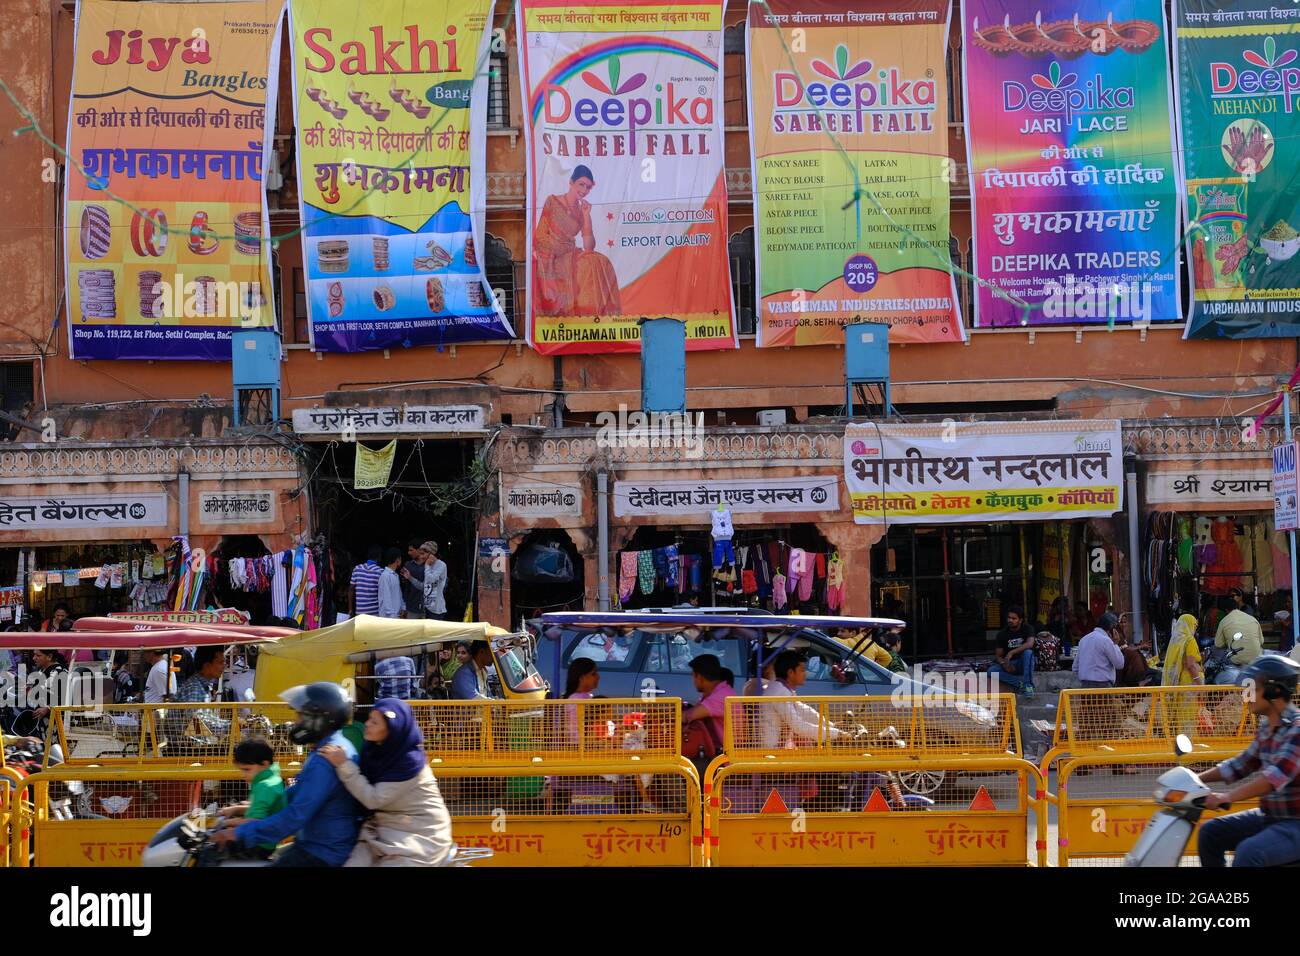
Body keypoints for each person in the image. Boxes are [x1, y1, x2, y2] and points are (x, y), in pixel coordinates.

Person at [211, 682, 362, 866]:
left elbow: (295, 816)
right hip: (319, 843)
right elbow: (302, 792)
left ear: (319, 719)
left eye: (300, 716)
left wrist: (239, 833)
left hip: (322, 852)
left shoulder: (325, 758)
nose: (296, 722)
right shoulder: (330, 747)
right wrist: (253, 806)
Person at [319, 698, 453, 866]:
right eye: (369, 718)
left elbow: (373, 799)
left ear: (392, 729)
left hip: (420, 835)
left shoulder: (408, 763)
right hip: (382, 829)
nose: (367, 724)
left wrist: (344, 765)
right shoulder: (375, 749)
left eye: (374, 722)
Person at [1197, 654, 1300, 867]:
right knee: (1210, 832)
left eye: (1254, 689)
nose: (1247, 695)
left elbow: (1273, 778)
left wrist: (1227, 796)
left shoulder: (1297, 730)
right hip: (1270, 816)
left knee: (1249, 853)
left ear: (1275, 691)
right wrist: (1192, 779)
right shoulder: (1266, 728)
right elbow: (1241, 765)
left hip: (1295, 823)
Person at [532, 164, 621, 317]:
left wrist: (586, 215)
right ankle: (585, 313)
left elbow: (589, 246)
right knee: (588, 264)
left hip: (570, 252)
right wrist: (559, 248)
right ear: (571, 182)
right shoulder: (552, 201)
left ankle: (599, 316)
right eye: (581, 184)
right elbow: (540, 235)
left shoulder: (581, 212)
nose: (584, 190)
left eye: (588, 187)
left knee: (601, 261)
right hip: (552, 254)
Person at [760, 650, 859, 748]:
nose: (806, 673)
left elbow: (804, 710)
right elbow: (798, 726)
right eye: (802, 670)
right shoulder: (780, 692)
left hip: (777, 747)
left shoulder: (783, 689)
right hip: (770, 749)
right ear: (790, 672)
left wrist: (832, 725)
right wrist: (837, 734)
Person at [216, 738, 286, 859]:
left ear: (264, 764)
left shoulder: (265, 786)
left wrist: (222, 823)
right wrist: (235, 809)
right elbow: (263, 808)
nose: (243, 775)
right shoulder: (272, 776)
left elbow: (253, 822)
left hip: (258, 845)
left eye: (247, 770)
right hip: (266, 840)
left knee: (209, 851)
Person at [682, 654, 735, 754]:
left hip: (726, 759)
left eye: (693, 676)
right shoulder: (717, 692)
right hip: (719, 752)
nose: (693, 681)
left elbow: (687, 716)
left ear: (700, 677)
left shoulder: (721, 697)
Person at [990, 606, 1036, 696]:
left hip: (1025, 663)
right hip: (1010, 664)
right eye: (1009, 618)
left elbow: (1030, 644)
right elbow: (998, 656)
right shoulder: (1002, 634)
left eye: (1014, 618)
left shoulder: (1027, 628)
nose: (1010, 620)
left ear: (1020, 620)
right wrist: (1004, 664)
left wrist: (1011, 652)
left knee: (1028, 652)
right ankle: (1020, 684)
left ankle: (1028, 685)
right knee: (991, 671)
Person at [1072, 611, 1125, 688]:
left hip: (1085, 686)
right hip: (1103, 686)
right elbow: (1119, 664)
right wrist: (1115, 644)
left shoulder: (1083, 639)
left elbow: (1075, 668)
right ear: (1112, 629)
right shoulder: (1106, 641)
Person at [1216, 597, 1263, 667]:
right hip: (1256, 659)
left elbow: (1218, 644)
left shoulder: (1224, 621)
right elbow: (1261, 641)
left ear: (1225, 610)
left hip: (1235, 661)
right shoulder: (1252, 619)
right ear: (1237, 607)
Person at [1162, 613, 1204, 687]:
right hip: (1190, 682)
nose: (1195, 629)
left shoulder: (1174, 641)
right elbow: (1191, 665)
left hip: (1179, 681)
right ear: (1189, 625)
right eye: (1195, 626)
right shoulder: (1190, 640)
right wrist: (1200, 684)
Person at [349, 546, 383, 617]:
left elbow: (351, 590)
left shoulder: (357, 569)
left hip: (360, 613)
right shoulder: (380, 572)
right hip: (375, 613)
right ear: (379, 557)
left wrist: (350, 609)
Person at [420, 541, 448, 621]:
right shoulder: (427, 566)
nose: (421, 557)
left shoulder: (441, 565)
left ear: (431, 553)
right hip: (427, 607)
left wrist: (427, 566)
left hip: (437, 610)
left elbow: (431, 579)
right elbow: (425, 586)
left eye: (423, 554)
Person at [399, 539, 427, 619]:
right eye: (408, 550)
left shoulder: (429, 565)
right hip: (411, 608)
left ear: (419, 550)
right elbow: (404, 586)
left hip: (426, 609)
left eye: (411, 550)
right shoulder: (408, 565)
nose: (409, 553)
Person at [377, 548, 405, 619]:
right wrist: (391, 615)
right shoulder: (385, 575)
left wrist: (402, 607)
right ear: (397, 559)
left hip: (396, 614)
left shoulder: (395, 575)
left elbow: (399, 593)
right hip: (388, 616)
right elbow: (386, 596)